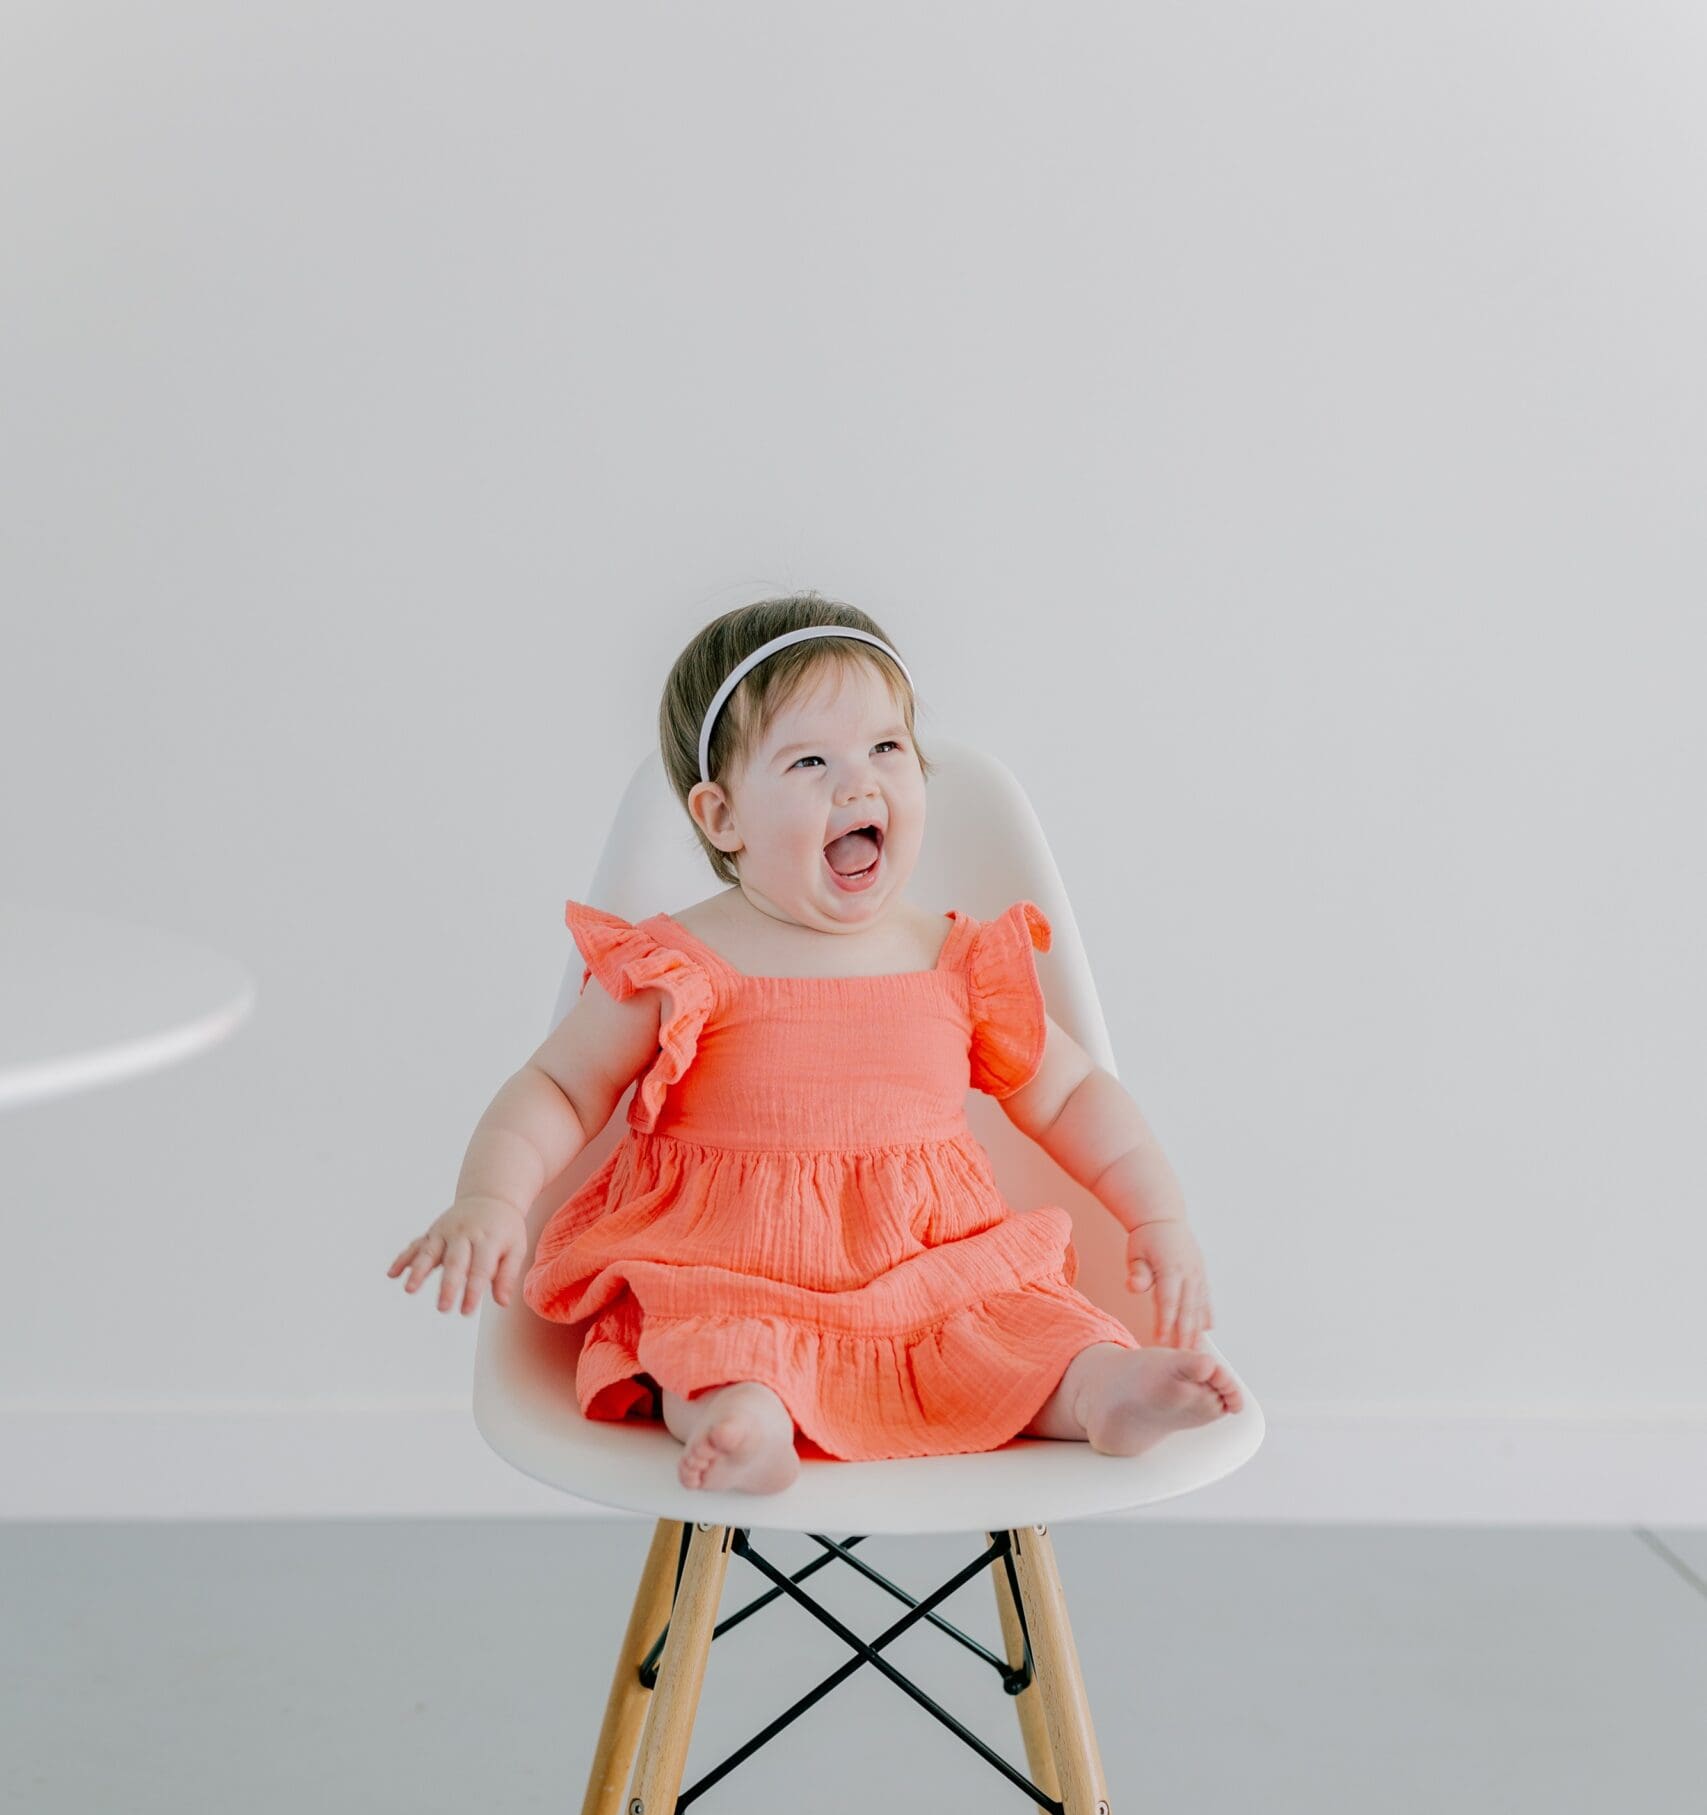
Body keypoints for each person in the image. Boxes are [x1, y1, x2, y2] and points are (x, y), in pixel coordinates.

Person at [387, 599, 1243, 1495]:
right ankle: (744, 1422)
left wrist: (1158, 1216)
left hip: (932, 1276)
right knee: (708, 1346)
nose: (858, 785)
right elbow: (558, 1091)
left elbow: (1073, 1098)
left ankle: (1104, 1392)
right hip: (733, 1272)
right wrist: (489, 1198)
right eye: (808, 762)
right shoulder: (680, 964)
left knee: (1026, 1329)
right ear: (722, 818)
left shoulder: (955, 961)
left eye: (886, 749)